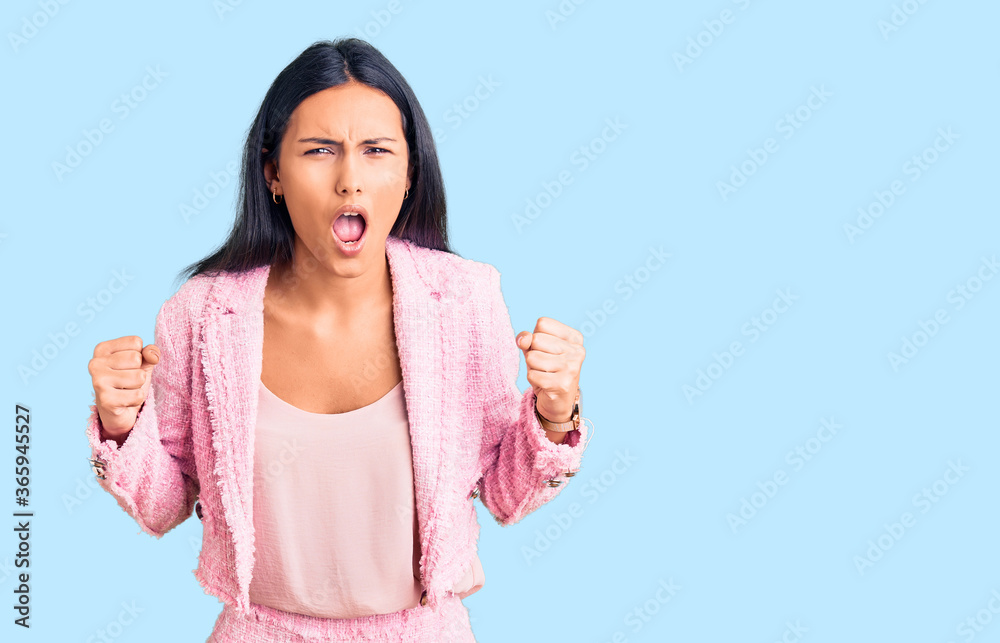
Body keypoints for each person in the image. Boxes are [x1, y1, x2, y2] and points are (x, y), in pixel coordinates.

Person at [84, 37, 590, 642]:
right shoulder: (201, 316)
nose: (350, 180)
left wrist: (554, 414)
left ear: (409, 173)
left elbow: (506, 494)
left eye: (376, 150)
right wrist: (121, 426)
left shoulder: (463, 302)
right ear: (273, 172)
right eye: (320, 151)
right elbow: (165, 504)